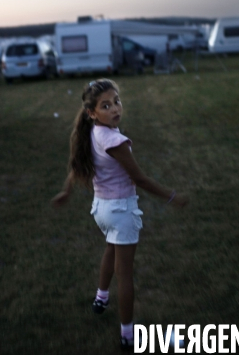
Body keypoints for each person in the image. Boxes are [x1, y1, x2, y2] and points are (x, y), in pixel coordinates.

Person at [51, 78, 188, 350]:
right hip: (119, 210)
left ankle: (101, 297)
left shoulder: (91, 132)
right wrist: (172, 197)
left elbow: (77, 165)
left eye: (117, 101)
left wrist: (67, 191)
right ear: (92, 113)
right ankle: (128, 335)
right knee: (125, 274)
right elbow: (141, 178)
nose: (115, 109)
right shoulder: (114, 140)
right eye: (106, 105)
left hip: (102, 209)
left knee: (111, 251)